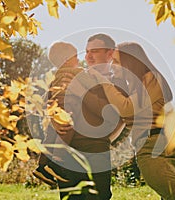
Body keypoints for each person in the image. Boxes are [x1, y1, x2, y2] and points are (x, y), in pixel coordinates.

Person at [82, 42, 175, 200]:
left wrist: (103, 82)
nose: (111, 65)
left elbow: (126, 108)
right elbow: (125, 119)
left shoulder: (151, 78)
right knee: (174, 195)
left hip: (154, 145)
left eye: (115, 61)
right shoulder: (137, 87)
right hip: (165, 141)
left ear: (129, 62)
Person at [50, 34, 127, 200]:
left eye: (95, 51)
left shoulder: (119, 83)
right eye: (86, 51)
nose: (88, 56)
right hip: (69, 151)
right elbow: (55, 101)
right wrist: (55, 121)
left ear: (110, 54)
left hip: (97, 151)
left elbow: (120, 117)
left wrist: (103, 139)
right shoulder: (74, 75)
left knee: (100, 195)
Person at [33, 41, 81, 187]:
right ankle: (57, 164)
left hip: (54, 107)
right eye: (76, 56)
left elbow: (46, 95)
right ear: (66, 59)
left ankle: (42, 167)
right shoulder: (72, 72)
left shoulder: (55, 75)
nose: (78, 59)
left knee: (50, 136)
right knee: (65, 131)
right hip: (66, 106)